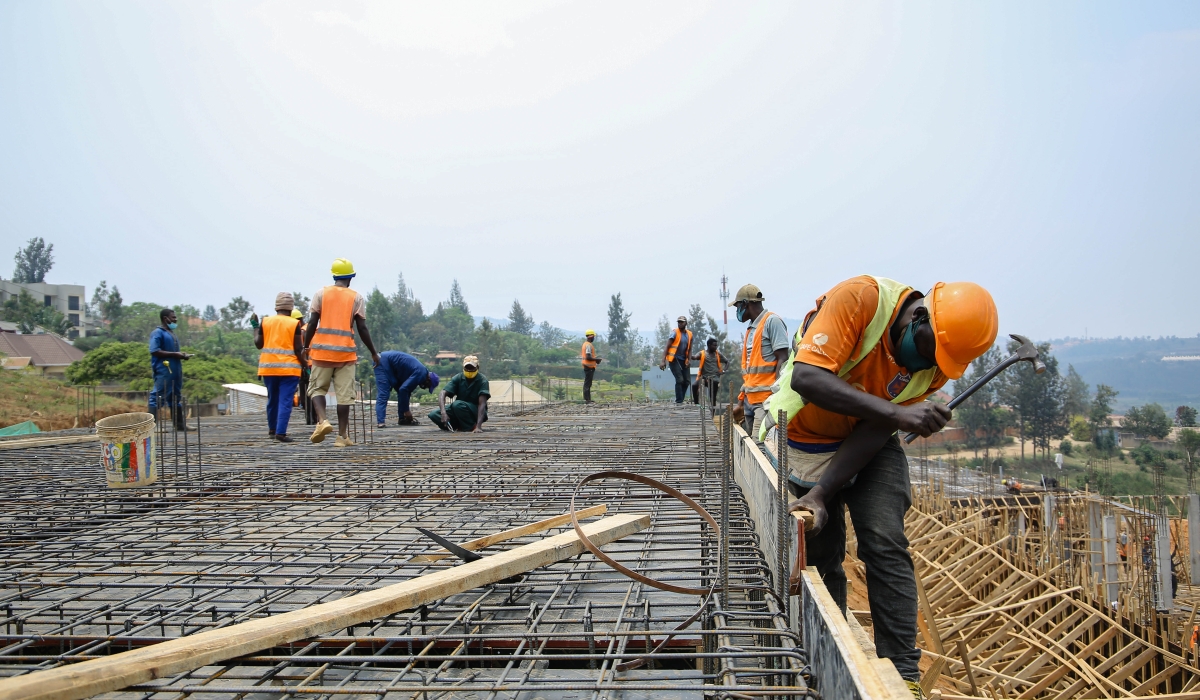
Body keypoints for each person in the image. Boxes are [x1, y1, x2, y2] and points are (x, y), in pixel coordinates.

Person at [776, 276, 997, 694]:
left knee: (884, 541)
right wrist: (899, 416)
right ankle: (825, 658)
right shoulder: (860, 300)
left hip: (870, 439)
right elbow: (806, 377)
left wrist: (825, 492)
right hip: (808, 436)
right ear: (919, 317)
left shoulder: (933, 368)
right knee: (821, 553)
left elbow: (880, 424)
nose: (930, 365)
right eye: (931, 350)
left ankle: (903, 679)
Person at [303, 258, 381, 447]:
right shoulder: (357, 298)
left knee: (316, 389)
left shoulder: (320, 294)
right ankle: (342, 436)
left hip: (322, 353)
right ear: (351, 277)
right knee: (344, 396)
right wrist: (373, 352)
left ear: (334, 275)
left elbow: (312, 322)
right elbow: (362, 328)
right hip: (346, 354)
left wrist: (306, 347)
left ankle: (322, 421)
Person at [252, 293, 305, 443]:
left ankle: (272, 429)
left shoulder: (265, 321)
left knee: (272, 399)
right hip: (289, 369)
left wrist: (255, 327)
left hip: (268, 368)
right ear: (291, 308)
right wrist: (305, 364)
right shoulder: (294, 324)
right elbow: (298, 349)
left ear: (276, 307)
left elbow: (258, 344)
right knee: (285, 400)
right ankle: (281, 433)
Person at [148, 308, 194, 430]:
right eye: (173, 317)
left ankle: (179, 425)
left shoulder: (171, 333)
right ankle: (153, 426)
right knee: (157, 396)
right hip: (164, 370)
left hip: (175, 370)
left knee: (175, 397)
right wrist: (175, 354)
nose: (175, 319)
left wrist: (182, 356)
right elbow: (155, 350)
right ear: (165, 318)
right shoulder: (158, 333)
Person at [374, 350, 439, 427]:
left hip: (392, 368)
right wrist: (407, 411)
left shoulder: (421, 373)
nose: (425, 388)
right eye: (428, 386)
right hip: (382, 361)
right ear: (428, 380)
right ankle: (380, 422)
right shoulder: (421, 374)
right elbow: (403, 389)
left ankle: (402, 418)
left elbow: (405, 393)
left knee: (404, 392)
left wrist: (404, 415)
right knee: (384, 393)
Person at [429, 355, 490, 433]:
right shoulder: (458, 378)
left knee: (457, 404)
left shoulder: (482, 380)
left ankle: (471, 426)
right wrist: (443, 413)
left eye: (472, 368)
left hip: (475, 411)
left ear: (477, 368)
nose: (469, 370)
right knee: (433, 414)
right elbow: (442, 393)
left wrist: (478, 426)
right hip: (458, 409)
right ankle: (455, 426)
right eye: (467, 368)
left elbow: (482, 404)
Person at [659, 316, 693, 404]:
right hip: (674, 360)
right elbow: (667, 346)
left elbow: (689, 349)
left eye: (682, 322)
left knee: (687, 381)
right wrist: (663, 361)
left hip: (684, 360)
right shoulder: (674, 333)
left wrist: (689, 360)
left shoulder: (689, 334)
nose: (680, 324)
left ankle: (680, 400)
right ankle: (679, 402)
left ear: (686, 323)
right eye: (678, 322)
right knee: (680, 380)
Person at [691, 337, 729, 406]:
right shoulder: (702, 353)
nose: (716, 347)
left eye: (716, 345)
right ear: (709, 345)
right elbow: (695, 357)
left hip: (714, 378)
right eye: (714, 345)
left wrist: (723, 371)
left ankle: (712, 413)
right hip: (704, 377)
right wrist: (689, 355)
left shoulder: (718, 354)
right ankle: (696, 404)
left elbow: (727, 362)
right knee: (694, 385)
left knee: (712, 398)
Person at [581, 330, 602, 403]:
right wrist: (597, 360)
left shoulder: (585, 344)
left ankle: (588, 399)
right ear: (591, 336)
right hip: (589, 367)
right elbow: (588, 357)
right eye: (593, 336)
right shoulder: (588, 345)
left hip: (587, 366)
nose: (594, 338)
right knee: (587, 384)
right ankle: (587, 400)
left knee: (588, 383)